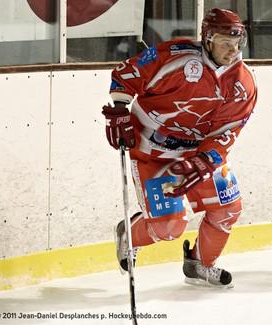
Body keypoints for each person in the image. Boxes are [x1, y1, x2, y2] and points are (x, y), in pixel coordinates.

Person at [101, 8, 257, 287]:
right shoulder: (175, 58)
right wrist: (120, 110)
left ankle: (199, 264)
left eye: (236, 43)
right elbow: (126, 74)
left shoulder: (243, 84)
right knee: (168, 227)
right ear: (207, 39)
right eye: (225, 42)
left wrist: (206, 160)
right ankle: (130, 233)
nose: (232, 50)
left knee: (228, 206)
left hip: (196, 154)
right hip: (153, 151)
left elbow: (228, 130)